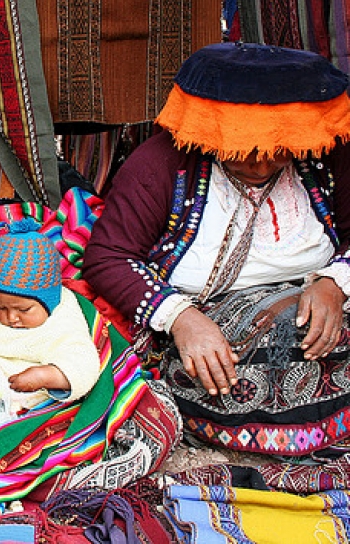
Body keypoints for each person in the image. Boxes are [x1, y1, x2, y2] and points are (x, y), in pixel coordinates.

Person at [81, 42, 350, 459]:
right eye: (243, 153)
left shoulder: (327, 156)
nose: (261, 167)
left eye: (278, 151)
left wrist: (335, 281)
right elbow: (108, 257)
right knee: (248, 366)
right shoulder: (159, 165)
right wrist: (181, 318)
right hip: (212, 314)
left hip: (319, 295)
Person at [0, 218, 100, 412]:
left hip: (29, 396)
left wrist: (46, 376)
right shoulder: (2, 306)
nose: (11, 318)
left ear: (49, 301)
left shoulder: (63, 321)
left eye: (23, 310)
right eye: (1, 308)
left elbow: (83, 366)